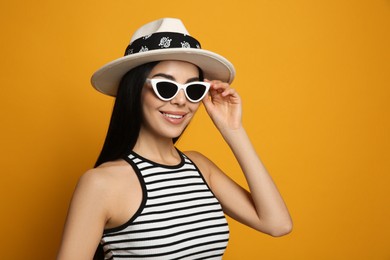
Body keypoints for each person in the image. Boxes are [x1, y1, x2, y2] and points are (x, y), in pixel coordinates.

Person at [57, 17, 292, 260]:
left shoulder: (199, 167)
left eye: (193, 90)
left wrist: (233, 131)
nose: (181, 101)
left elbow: (277, 224)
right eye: (166, 87)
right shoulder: (101, 183)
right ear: (135, 90)